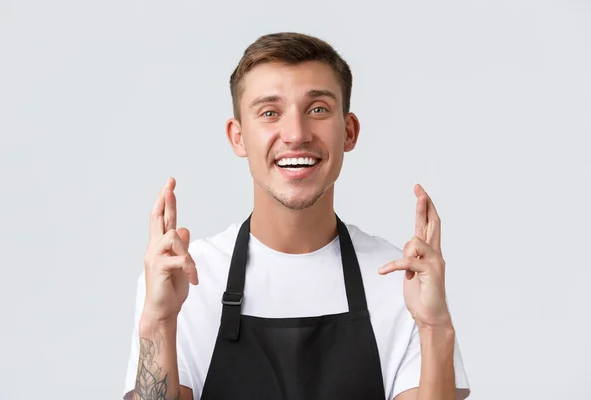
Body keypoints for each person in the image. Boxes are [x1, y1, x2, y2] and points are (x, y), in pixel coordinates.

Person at [122, 32, 471, 400]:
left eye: (317, 109)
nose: (296, 134)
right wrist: (159, 322)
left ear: (348, 131)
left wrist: (435, 327)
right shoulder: (189, 280)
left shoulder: (399, 281)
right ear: (238, 137)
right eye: (270, 112)